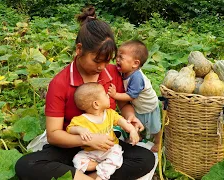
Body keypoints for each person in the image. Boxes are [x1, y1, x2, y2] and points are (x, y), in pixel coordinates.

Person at [15, 6, 155, 180]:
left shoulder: (111, 73)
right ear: (79, 49)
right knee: (26, 166)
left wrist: (130, 117)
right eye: (97, 61)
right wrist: (86, 140)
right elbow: (53, 135)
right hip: (72, 145)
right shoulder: (60, 83)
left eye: (106, 61)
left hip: (105, 146)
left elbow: (124, 104)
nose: (102, 67)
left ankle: (90, 174)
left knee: (146, 158)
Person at [67, 82, 139, 180]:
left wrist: (132, 130)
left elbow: (123, 121)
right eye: (105, 95)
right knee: (77, 160)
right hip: (90, 151)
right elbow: (70, 128)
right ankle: (101, 166)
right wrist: (80, 130)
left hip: (110, 149)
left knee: (116, 155)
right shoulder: (81, 120)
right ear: (96, 104)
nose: (108, 96)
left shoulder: (110, 114)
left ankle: (101, 176)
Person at [108, 40, 161, 152]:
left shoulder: (137, 77)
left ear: (135, 63)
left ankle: (158, 142)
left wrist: (115, 95)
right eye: (117, 56)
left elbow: (131, 96)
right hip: (138, 105)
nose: (117, 60)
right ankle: (136, 137)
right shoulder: (124, 71)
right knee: (135, 121)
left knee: (155, 127)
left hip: (149, 107)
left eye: (121, 57)